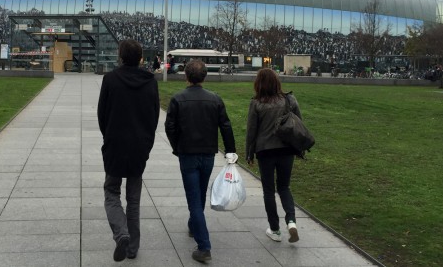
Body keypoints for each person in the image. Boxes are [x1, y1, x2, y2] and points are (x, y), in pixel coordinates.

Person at [165, 60, 236, 263]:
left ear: (186, 76)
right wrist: (231, 151)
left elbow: (170, 126)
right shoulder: (215, 99)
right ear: (204, 77)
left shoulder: (178, 99)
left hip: (188, 153)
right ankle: (193, 224)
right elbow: (226, 126)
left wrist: (177, 147)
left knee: (194, 199)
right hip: (207, 154)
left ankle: (204, 247)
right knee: (199, 193)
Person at [97, 39, 160, 262]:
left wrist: (108, 137)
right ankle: (132, 247)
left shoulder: (110, 80)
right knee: (133, 200)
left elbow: (101, 115)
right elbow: (154, 116)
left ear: (121, 56)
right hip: (138, 146)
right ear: (141, 58)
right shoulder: (150, 82)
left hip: (115, 145)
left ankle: (121, 234)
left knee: (111, 192)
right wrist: (147, 143)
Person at [245, 68, 301, 243]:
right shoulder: (289, 100)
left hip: (265, 150)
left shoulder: (256, 103)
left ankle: (275, 229)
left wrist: (249, 153)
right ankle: (291, 221)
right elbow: (298, 124)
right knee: (284, 187)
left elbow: (251, 131)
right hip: (286, 150)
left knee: (268, 191)